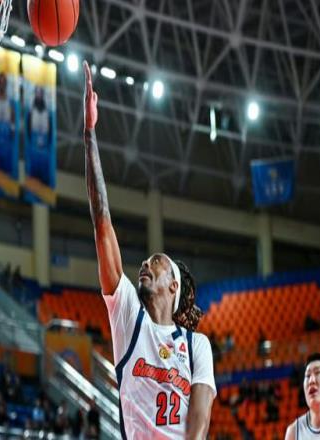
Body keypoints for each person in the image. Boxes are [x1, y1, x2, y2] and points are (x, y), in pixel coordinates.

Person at [82, 60, 216, 439]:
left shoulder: (197, 345)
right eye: (145, 261)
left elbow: (200, 416)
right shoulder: (128, 316)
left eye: (156, 263)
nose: (145, 263)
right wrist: (90, 134)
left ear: (173, 285)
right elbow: (102, 222)